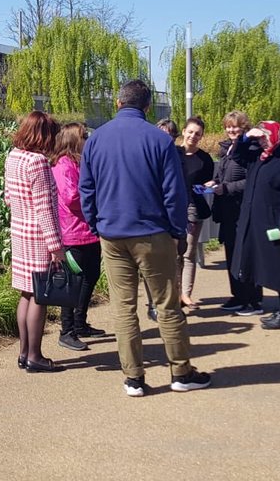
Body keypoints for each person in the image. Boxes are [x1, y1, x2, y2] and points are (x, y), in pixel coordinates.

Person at [79, 80, 211, 397]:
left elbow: (87, 189)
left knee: (123, 308)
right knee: (166, 305)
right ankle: (181, 372)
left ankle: (134, 378)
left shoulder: (96, 140)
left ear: (117, 102)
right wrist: (178, 232)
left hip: (112, 233)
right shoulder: (160, 140)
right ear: (148, 107)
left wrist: (96, 224)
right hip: (153, 233)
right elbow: (173, 194)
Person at [3, 111, 65, 373]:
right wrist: (56, 247)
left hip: (19, 231)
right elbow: (44, 209)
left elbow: (7, 197)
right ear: (43, 135)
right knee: (40, 296)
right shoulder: (38, 162)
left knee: (27, 293)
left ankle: (23, 353)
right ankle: (35, 356)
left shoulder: (13, 157)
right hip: (39, 236)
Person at [232, 120, 280, 327]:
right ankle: (274, 308)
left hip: (276, 221)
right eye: (260, 138)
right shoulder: (259, 155)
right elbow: (237, 155)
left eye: (265, 137)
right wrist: (246, 138)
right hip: (257, 219)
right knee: (261, 263)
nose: (262, 142)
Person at [50, 122, 104, 351]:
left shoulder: (79, 163)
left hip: (89, 230)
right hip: (73, 232)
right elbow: (72, 197)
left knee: (91, 275)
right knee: (73, 282)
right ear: (73, 139)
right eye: (84, 135)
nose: (87, 138)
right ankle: (67, 330)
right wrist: (96, 198)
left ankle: (80, 322)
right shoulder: (63, 164)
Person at [210, 111, 261, 312]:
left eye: (235, 126)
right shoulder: (227, 148)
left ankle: (253, 298)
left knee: (246, 254)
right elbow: (223, 174)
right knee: (231, 252)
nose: (231, 130)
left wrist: (227, 188)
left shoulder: (251, 149)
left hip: (243, 209)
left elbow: (253, 180)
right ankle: (238, 295)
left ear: (244, 127)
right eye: (228, 126)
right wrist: (214, 182)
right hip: (227, 210)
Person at [177, 116, 214, 310]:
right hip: (173, 208)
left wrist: (210, 185)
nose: (193, 136)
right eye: (190, 131)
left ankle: (186, 294)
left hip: (194, 208)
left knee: (188, 253)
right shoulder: (173, 153)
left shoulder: (205, 159)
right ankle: (174, 294)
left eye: (197, 133)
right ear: (183, 131)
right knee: (173, 253)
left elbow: (210, 182)